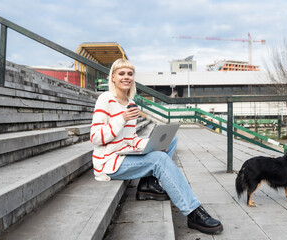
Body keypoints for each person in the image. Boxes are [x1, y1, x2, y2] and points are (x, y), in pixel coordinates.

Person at [90, 59, 223, 235]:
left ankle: (148, 183)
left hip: (123, 154)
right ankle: (193, 212)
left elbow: (131, 139)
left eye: (130, 74)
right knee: (159, 160)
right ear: (113, 77)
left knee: (170, 140)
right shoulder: (105, 99)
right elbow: (95, 138)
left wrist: (152, 145)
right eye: (121, 73)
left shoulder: (130, 103)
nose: (126, 77)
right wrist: (121, 119)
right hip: (109, 162)